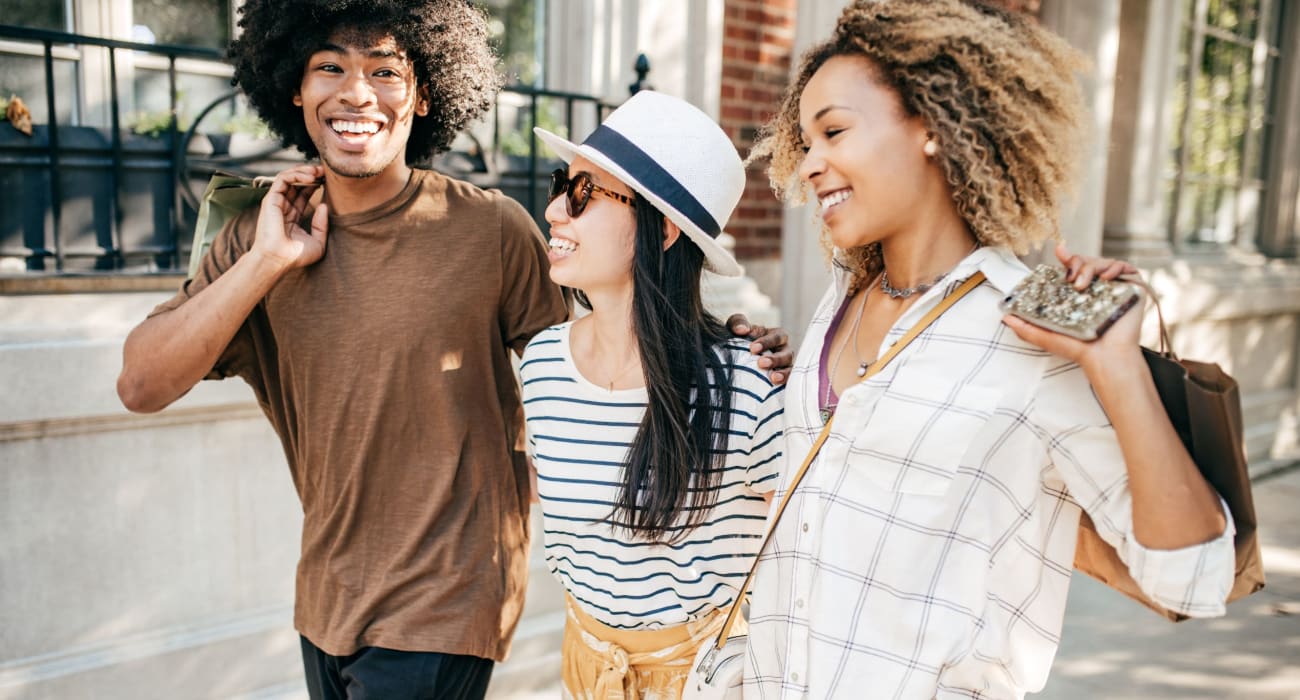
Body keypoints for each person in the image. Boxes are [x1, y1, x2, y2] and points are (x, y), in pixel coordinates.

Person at [113, 2, 789, 698]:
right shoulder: (263, 232)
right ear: (294, 86)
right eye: (330, 67)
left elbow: (608, 352)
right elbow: (141, 384)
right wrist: (265, 262)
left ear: (426, 91)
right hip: (326, 594)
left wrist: (722, 350)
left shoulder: (489, 229)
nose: (356, 92)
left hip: (450, 602)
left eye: (384, 70)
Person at [741, 1, 1235, 698]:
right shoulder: (837, 307)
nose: (811, 164)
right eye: (806, 141)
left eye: (834, 132)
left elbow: (1193, 577)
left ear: (933, 127)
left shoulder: (1029, 332)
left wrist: (1115, 361)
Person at [521, 90, 785, 699]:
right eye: (564, 183)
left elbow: (806, 562)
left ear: (663, 228)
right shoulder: (542, 365)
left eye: (585, 192)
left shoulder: (748, 385)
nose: (556, 208)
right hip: (584, 665)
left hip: (702, 679)